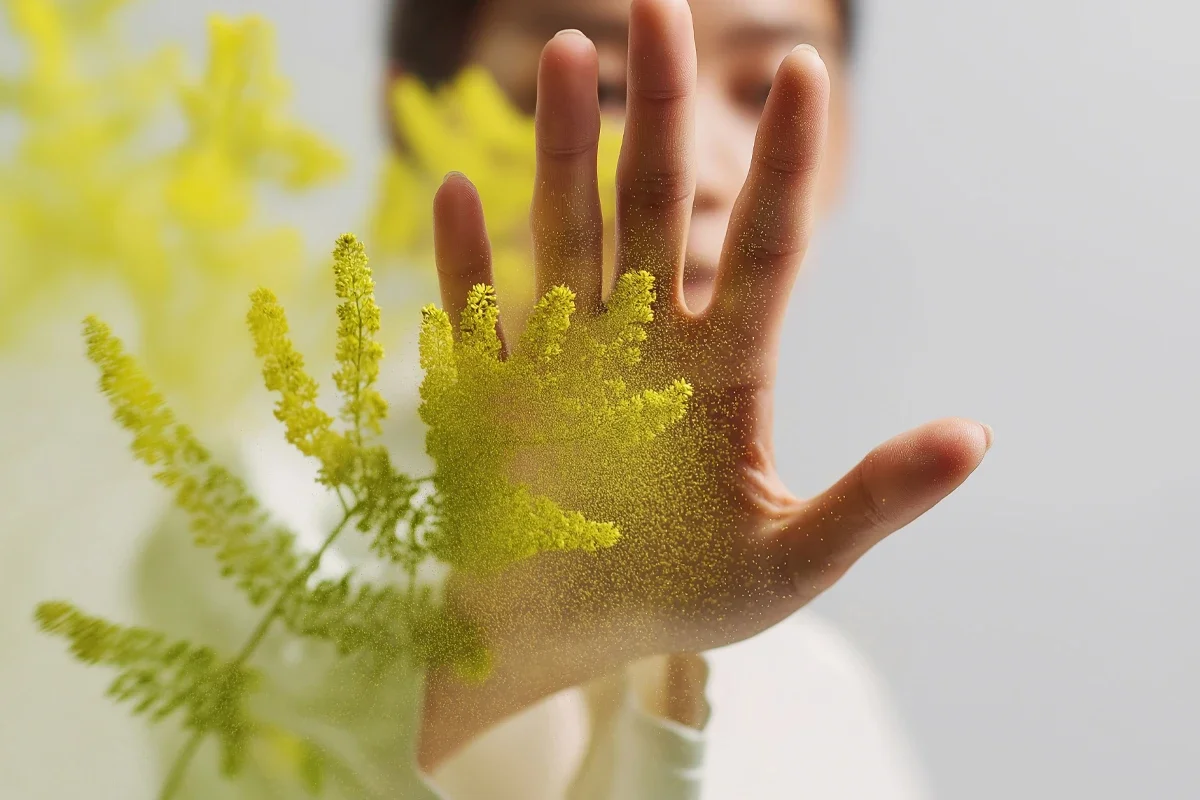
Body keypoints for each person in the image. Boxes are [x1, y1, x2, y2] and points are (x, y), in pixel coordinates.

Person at [133, 0, 991, 797]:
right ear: (414, 126)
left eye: (768, 92)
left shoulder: (824, 705)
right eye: (603, 88)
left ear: (842, 141)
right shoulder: (244, 522)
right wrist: (505, 652)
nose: (698, 166)